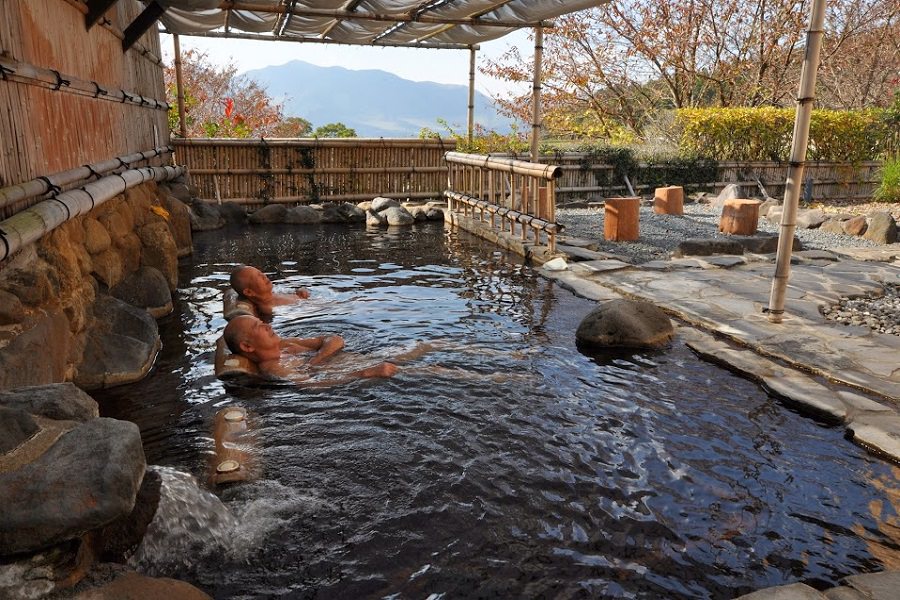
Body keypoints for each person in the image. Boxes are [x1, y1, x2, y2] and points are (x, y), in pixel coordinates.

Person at [223, 315, 398, 385]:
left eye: (263, 322)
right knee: (418, 371)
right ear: (247, 347)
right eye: (258, 327)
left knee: (421, 347)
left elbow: (335, 340)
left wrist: (316, 359)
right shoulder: (273, 368)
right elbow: (313, 386)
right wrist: (366, 373)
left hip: (362, 360)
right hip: (360, 370)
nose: (267, 326)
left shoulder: (286, 345)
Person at [230, 265, 310, 317]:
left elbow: (295, 293)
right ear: (249, 292)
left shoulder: (275, 293)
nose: (264, 276)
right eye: (258, 277)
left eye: (261, 273)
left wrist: (301, 291)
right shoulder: (268, 309)